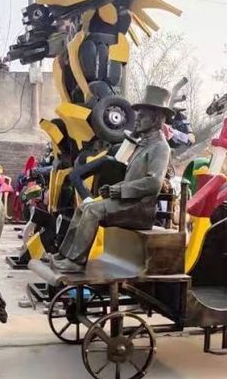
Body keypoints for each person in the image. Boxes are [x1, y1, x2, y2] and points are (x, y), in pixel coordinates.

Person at [52, 85, 173, 273]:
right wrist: (114, 188)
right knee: (84, 207)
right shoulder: (143, 144)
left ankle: (76, 262)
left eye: (142, 116)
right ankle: (65, 254)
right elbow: (131, 175)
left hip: (139, 209)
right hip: (127, 201)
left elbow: (153, 183)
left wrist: (120, 190)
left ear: (156, 118)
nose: (137, 119)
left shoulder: (160, 148)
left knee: (93, 211)